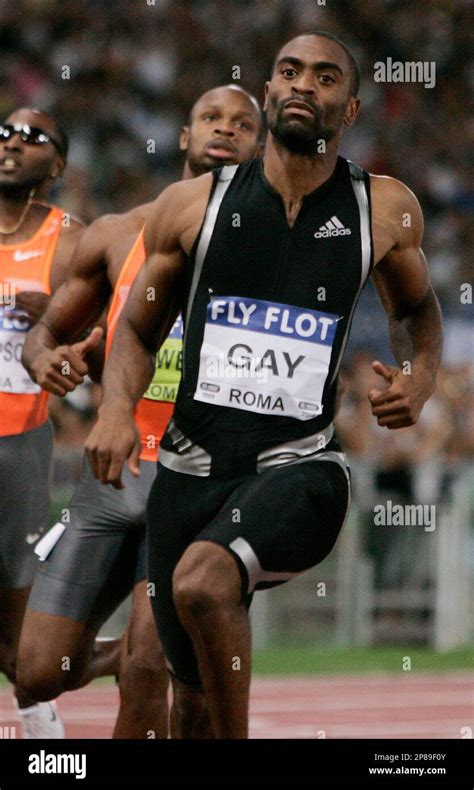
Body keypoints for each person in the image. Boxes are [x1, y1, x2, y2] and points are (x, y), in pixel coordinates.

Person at [84, 31, 443, 739]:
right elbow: (133, 330)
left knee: (203, 582)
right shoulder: (191, 207)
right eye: (289, 72)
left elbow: (416, 310)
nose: (305, 85)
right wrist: (116, 408)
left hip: (301, 466)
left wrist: (421, 376)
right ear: (269, 92)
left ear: (350, 109)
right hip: (188, 472)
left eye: (325, 77)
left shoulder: (383, 208)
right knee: (191, 705)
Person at [18, 86, 263, 738]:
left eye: (244, 124)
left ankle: (150, 663)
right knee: (38, 669)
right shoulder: (117, 233)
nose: (226, 130)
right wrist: (52, 360)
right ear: (183, 136)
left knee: (153, 666)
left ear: (260, 149)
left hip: (194, 483)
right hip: (111, 477)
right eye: (211, 116)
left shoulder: (269, 253)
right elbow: (45, 336)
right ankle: (123, 656)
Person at [0, 106, 101, 738]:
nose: (13, 142)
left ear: (57, 165)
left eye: (35, 136)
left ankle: (125, 661)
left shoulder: (70, 240)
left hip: (16, 446)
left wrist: (61, 328)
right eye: (5, 132)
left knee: (19, 647)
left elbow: (104, 341)